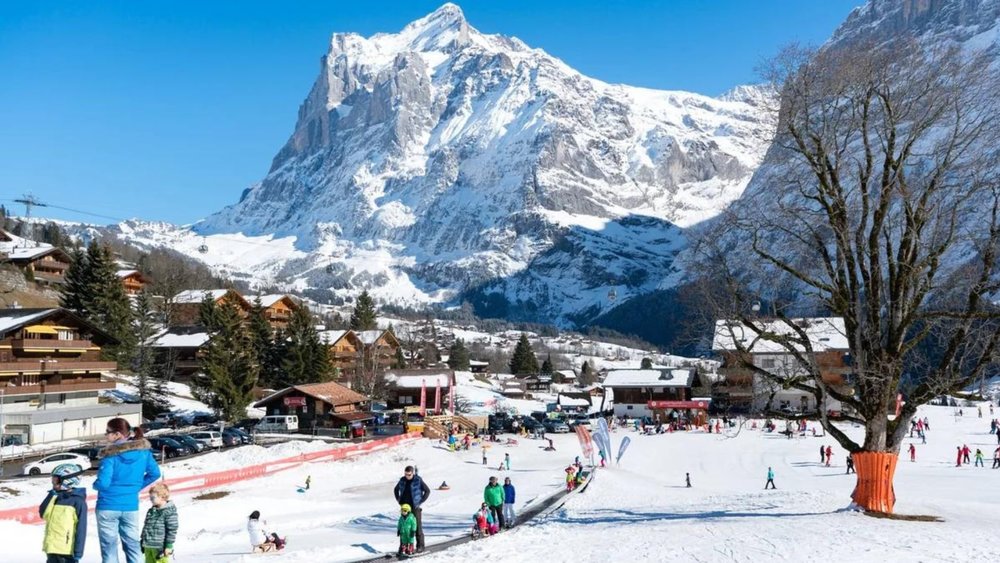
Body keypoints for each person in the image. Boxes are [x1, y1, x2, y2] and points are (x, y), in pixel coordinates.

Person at [94, 417, 162, 563]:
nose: (106, 435)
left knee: (109, 547)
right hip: (131, 505)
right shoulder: (144, 453)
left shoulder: (110, 456)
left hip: (108, 505)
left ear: (117, 434)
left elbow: (103, 484)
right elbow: (155, 473)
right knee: (132, 545)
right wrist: (136, 487)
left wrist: (96, 485)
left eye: (108, 432)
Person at [41, 463, 88, 563]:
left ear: (68, 481)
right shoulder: (55, 497)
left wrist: (78, 552)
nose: (53, 483)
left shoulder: (77, 502)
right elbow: (43, 513)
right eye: (52, 480)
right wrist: (51, 495)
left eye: (56, 480)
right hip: (51, 549)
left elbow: (81, 528)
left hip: (67, 552)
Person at [394, 466, 431, 553]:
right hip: (405, 507)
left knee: (417, 526)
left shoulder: (418, 480)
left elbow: (427, 491)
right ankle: (402, 547)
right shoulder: (402, 480)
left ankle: (420, 546)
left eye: (409, 474)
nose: (407, 476)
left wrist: (420, 501)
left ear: (412, 473)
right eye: (405, 474)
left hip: (415, 507)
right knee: (404, 527)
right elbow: (396, 490)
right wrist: (399, 500)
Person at [140, 482, 178, 563]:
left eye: (153, 497)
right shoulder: (151, 511)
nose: (151, 500)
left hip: (159, 548)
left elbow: (172, 530)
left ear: (162, 497)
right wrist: (142, 541)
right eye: (150, 498)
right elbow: (146, 527)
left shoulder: (169, 512)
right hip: (148, 546)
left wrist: (169, 545)